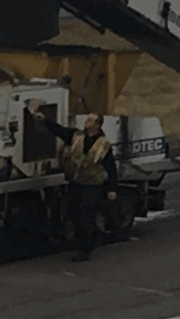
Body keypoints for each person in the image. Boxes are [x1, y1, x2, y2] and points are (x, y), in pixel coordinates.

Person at [28, 105, 120, 262]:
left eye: (90, 119)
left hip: (93, 186)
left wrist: (112, 188)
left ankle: (84, 249)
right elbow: (59, 131)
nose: (86, 121)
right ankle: (89, 238)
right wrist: (44, 120)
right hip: (76, 182)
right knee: (72, 212)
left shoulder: (102, 144)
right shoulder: (77, 136)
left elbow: (111, 168)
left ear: (97, 124)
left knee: (85, 215)